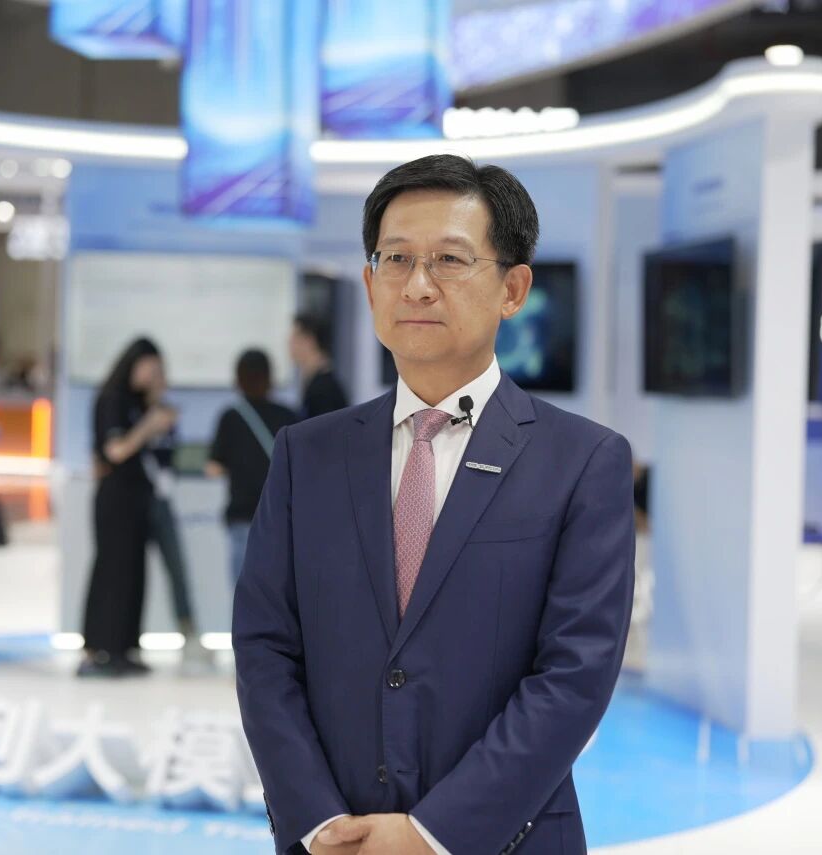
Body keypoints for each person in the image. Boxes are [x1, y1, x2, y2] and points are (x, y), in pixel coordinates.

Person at [234, 154, 634, 855]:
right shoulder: (307, 455)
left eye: (450, 259)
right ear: (370, 283)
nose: (417, 285)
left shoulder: (582, 462)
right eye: (396, 259)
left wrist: (433, 834)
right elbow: (265, 646)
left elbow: (574, 676)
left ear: (513, 288)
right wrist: (317, 819)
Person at [78, 338, 177, 678]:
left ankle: (123, 648)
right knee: (112, 571)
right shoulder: (112, 399)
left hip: (138, 497)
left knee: (134, 573)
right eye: (151, 368)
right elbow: (115, 450)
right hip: (116, 498)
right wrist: (148, 426)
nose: (154, 375)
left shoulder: (139, 401)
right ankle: (98, 650)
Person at [137, 353, 206, 665]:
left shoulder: (168, 416)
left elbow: (171, 457)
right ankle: (128, 636)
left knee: (177, 569)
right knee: (132, 573)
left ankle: (188, 633)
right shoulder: (136, 414)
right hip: (138, 500)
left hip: (163, 500)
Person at [206, 349, 297, 585]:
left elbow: (214, 467)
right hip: (280, 516)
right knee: (280, 590)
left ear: (238, 378)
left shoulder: (231, 417)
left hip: (243, 514)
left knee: (244, 590)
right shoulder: (289, 416)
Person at [290, 314, 349, 419]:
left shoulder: (323, 390)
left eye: (295, 336)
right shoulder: (318, 383)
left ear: (309, 340)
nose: (290, 342)